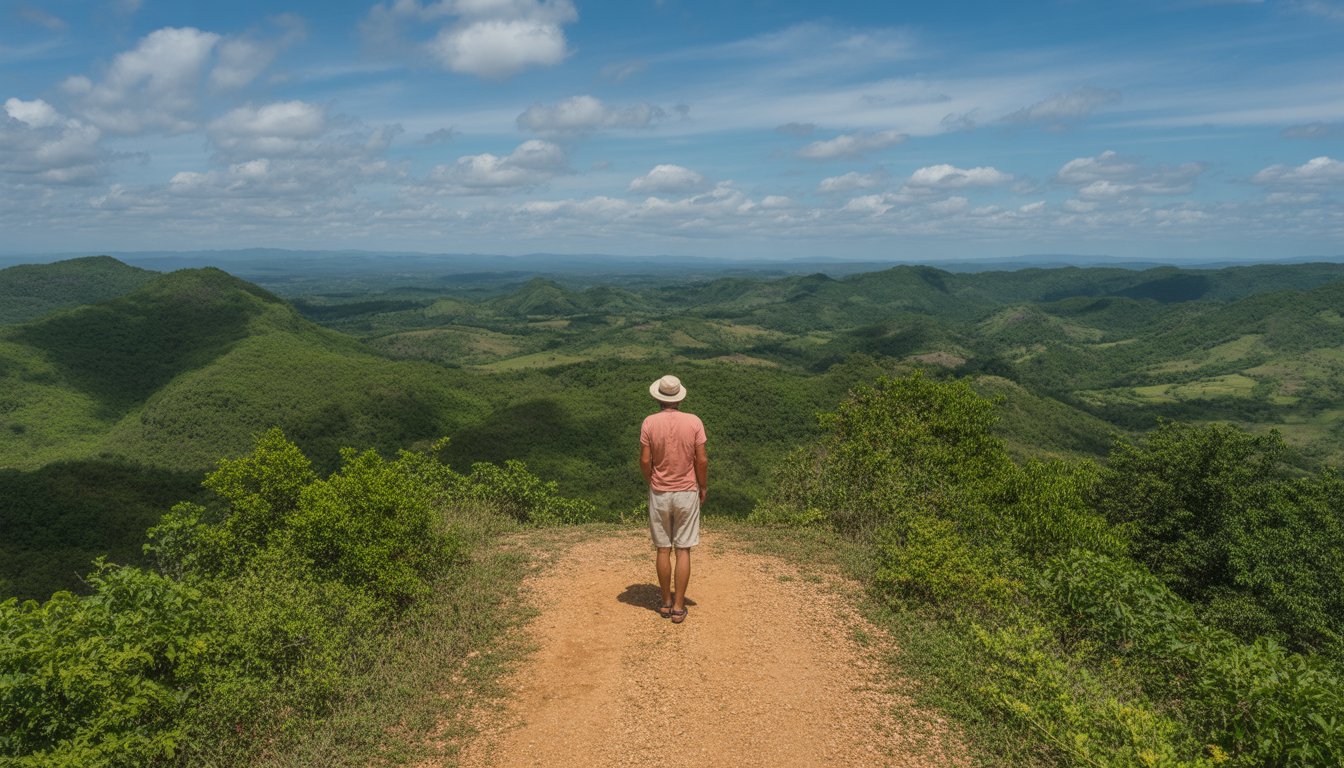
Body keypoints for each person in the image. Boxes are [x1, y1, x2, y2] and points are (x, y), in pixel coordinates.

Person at [639, 374, 707, 624]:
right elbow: (702, 460)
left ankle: (666, 602)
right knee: (683, 549)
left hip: (660, 492)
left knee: (663, 548)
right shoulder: (694, 422)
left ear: (658, 397)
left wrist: (651, 480)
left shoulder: (649, 422)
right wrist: (703, 485)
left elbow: (645, 460)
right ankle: (679, 606)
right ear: (679, 398)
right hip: (686, 491)